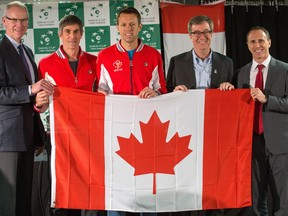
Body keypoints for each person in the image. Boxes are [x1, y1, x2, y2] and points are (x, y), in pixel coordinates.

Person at [166, 15, 250, 216]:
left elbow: (233, 100)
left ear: (212, 34)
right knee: (188, 174)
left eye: (205, 32)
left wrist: (229, 88)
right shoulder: (176, 62)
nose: (201, 37)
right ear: (190, 35)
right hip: (186, 129)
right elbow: (167, 94)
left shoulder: (226, 62)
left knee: (215, 174)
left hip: (215, 131)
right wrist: (174, 91)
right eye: (196, 32)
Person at [97, 6, 167, 216]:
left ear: (140, 27)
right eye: (124, 25)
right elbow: (101, 89)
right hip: (116, 129)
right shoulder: (105, 56)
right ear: (117, 27)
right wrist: (101, 96)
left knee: (146, 180)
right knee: (116, 182)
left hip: (146, 129)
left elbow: (162, 88)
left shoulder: (153, 55)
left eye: (132, 25)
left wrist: (155, 94)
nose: (128, 29)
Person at [38, 15, 98, 216]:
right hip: (59, 136)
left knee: (91, 187)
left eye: (75, 32)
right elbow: (40, 104)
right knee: (62, 189)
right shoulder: (46, 64)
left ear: (82, 34)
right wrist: (40, 104)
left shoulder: (95, 62)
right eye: (67, 32)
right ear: (60, 35)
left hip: (90, 135)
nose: (71, 36)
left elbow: (103, 98)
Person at [0, 1, 54, 216]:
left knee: (24, 198)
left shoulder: (28, 51)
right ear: (4, 22)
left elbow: (29, 95)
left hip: (28, 133)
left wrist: (40, 100)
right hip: (7, 137)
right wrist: (31, 89)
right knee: (8, 200)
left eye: (23, 20)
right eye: (14, 19)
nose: (19, 24)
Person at [236, 26, 288, 216]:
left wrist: (268, 100)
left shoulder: (284, 70)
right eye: (253, 42)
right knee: (255, 195)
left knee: (282, 197)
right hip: (251, 141)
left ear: (269, 42)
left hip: (279, 143)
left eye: (261, 41)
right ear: (248, 46)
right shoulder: (241, 73)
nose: (257, 45)